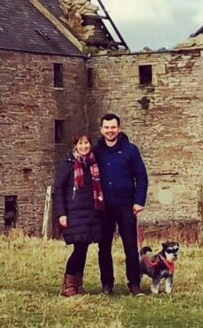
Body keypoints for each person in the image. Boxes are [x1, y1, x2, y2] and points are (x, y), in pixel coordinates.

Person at [94, 113, 148, 296]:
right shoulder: (96, 151)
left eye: (113, 127)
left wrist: (139, 201)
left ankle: (134, 284)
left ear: (119, 128)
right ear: (101, 130)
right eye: (107, 128)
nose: (110, 131)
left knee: (131, 247)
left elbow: (141, 176)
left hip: (126, 205)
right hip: (104, 207)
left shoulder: (130, 150)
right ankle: (107, 284)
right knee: (104, 247)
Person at [52, 133, 105, 297]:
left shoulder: (93, 164)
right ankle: (68, 284)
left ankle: (78, 284)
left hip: (90, 213)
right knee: (79, 249)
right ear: (75, 146)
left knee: (83, 249)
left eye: (87, 143)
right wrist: (61, 214)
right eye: (81, 144)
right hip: (74, 214)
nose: (84, 146)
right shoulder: (68, 165)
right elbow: (59, 190)